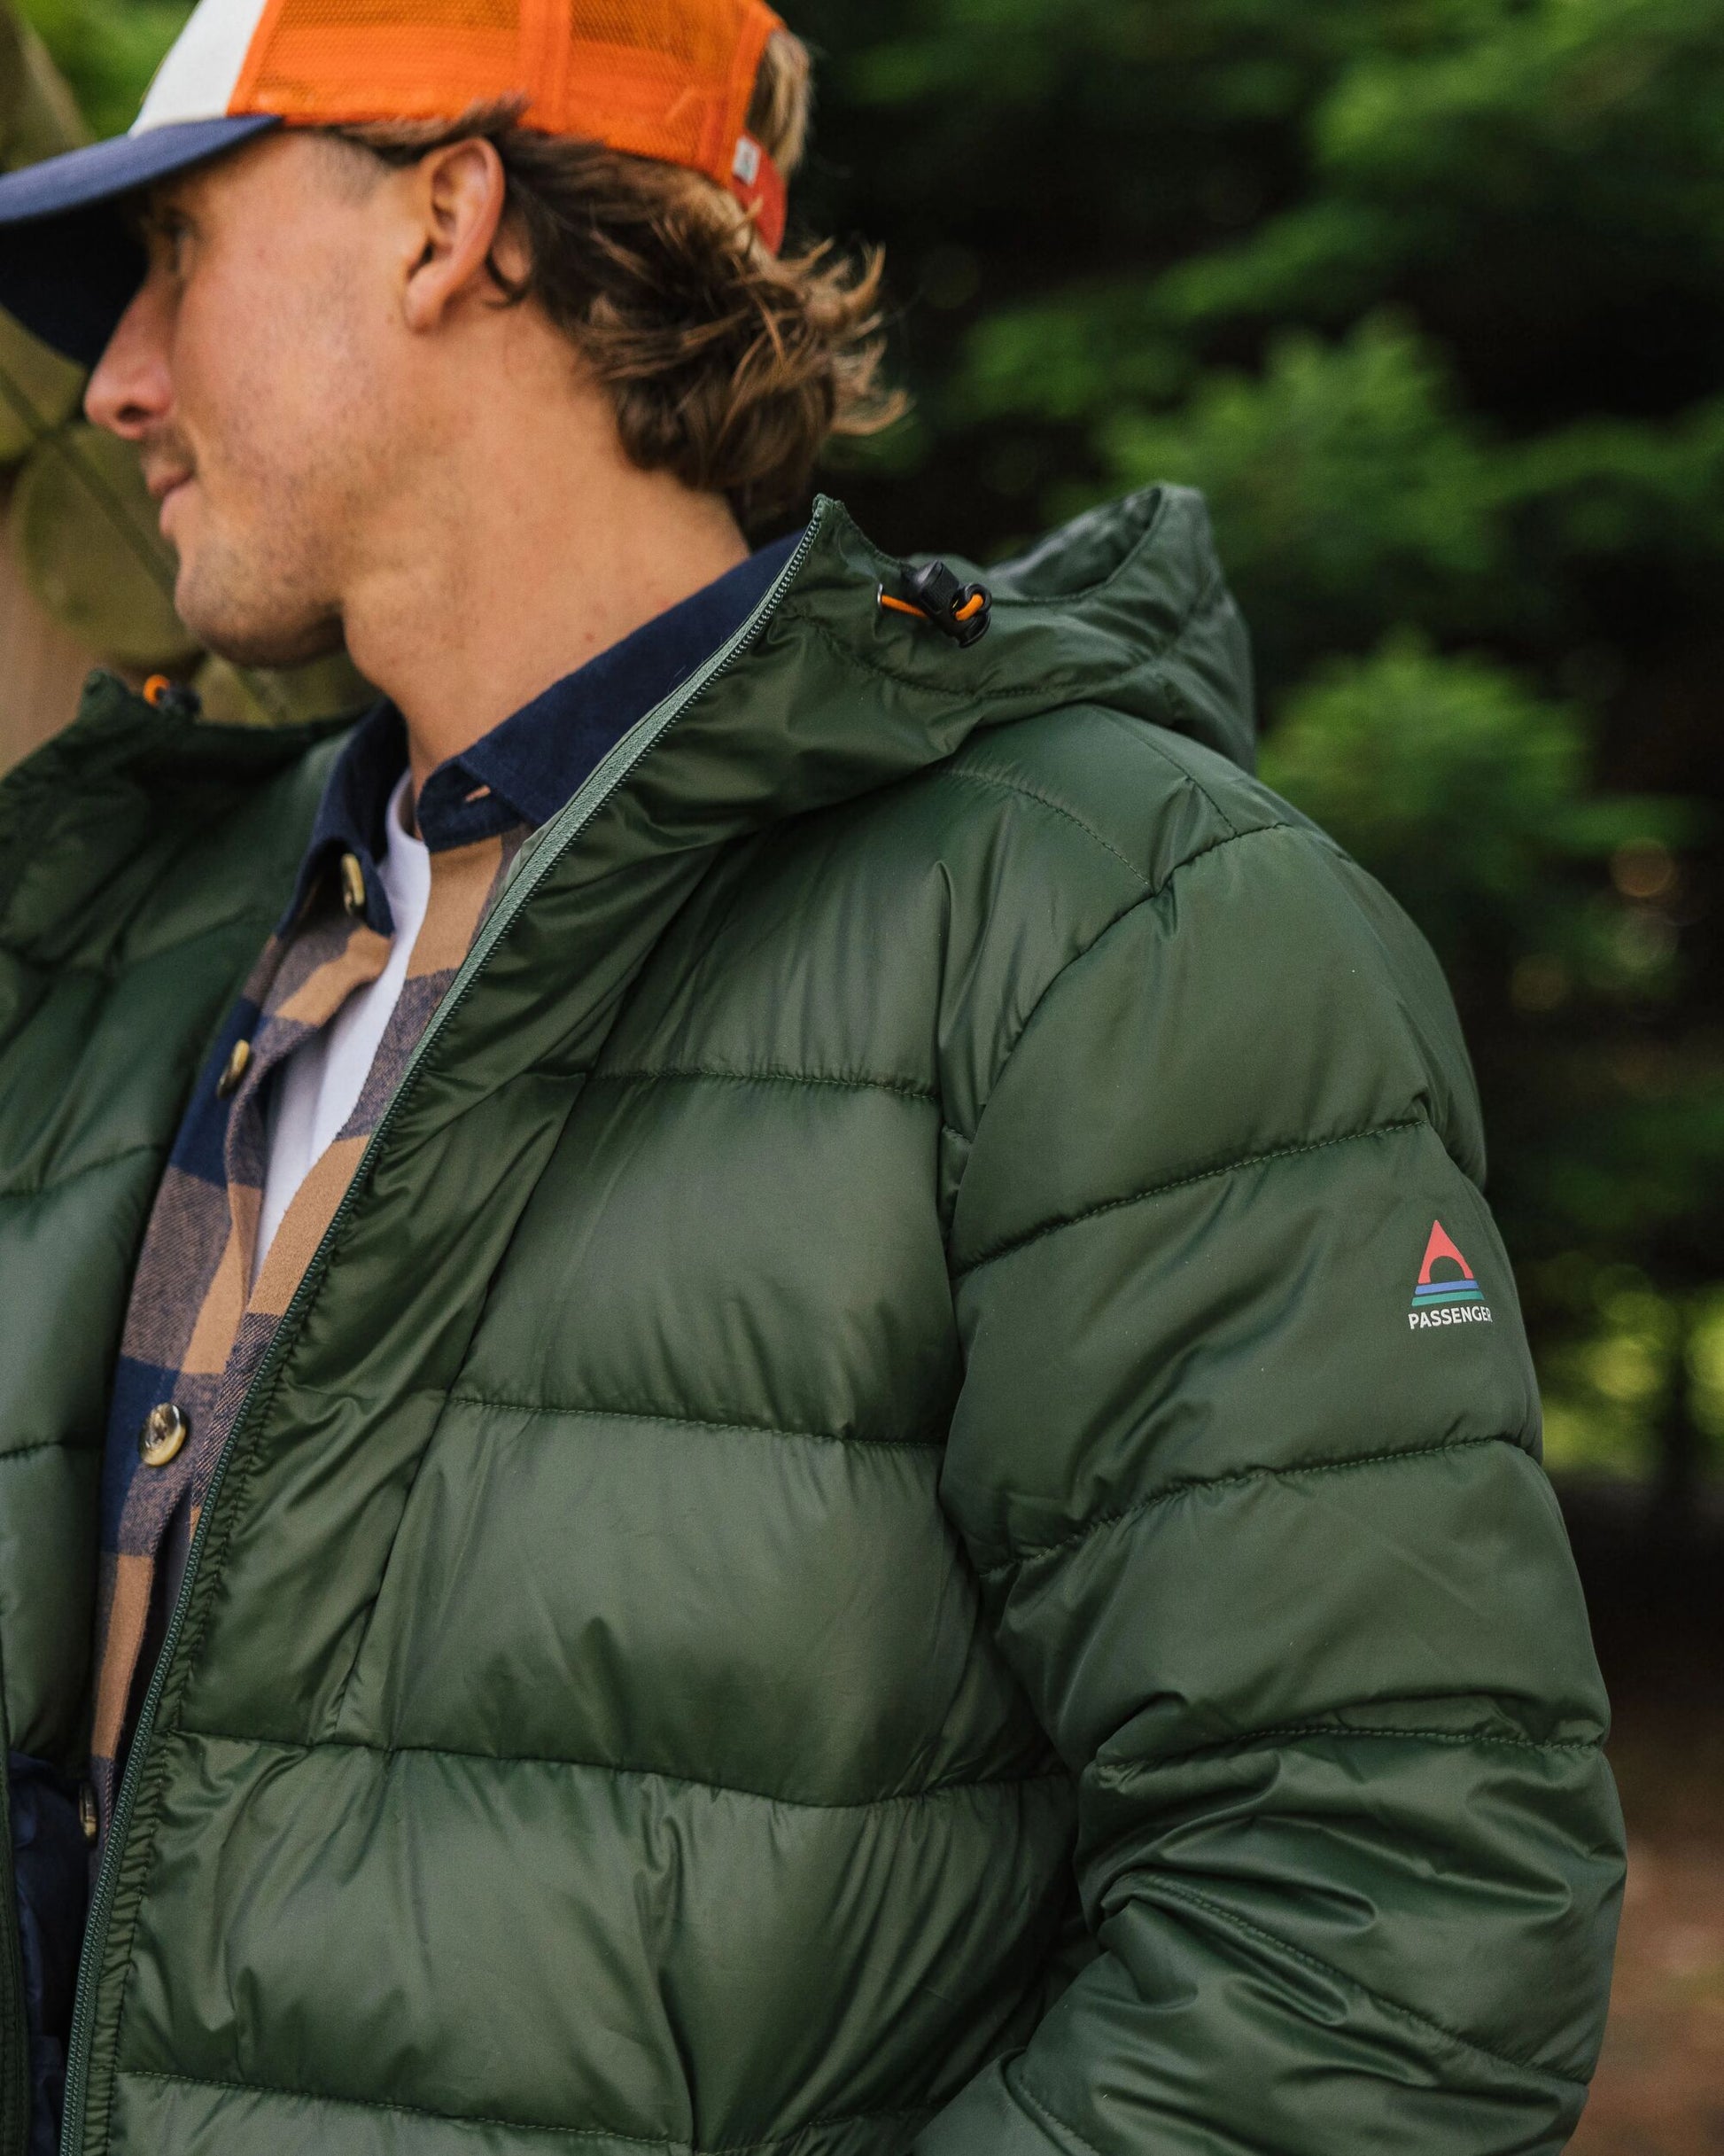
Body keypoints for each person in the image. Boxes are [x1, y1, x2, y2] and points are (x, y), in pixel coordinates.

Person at [0, 3, 1625, 2152]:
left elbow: (1386, 1936)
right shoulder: (136, 931)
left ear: (446, 220)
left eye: (177, 256)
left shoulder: (1113, 930)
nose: (115, 379)